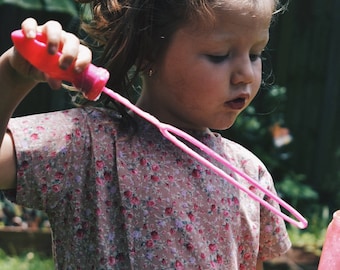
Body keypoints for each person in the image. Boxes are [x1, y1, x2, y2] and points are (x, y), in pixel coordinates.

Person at [0, 0, 291, 269]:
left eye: (255, 54)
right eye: (219, 56)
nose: (247, 74)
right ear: (149, 52)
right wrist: (12, 75)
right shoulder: (85, 145)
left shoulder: (249, 175)